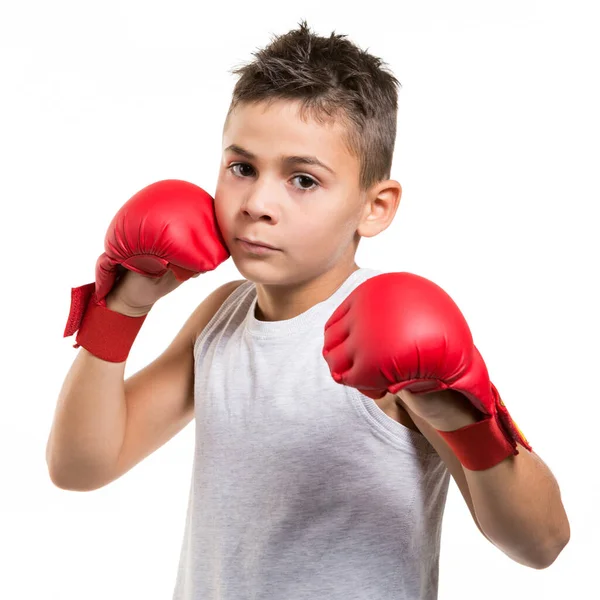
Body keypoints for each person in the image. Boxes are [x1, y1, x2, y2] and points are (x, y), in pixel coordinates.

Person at [46, 20, 570, 600]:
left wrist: (462, 418)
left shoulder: (401, 341)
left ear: (375, 207)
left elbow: (541, 543)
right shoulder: (222, 316)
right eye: (241, 168)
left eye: (302, 179)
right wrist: (122, 305)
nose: (258, 204)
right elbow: (79, 467)